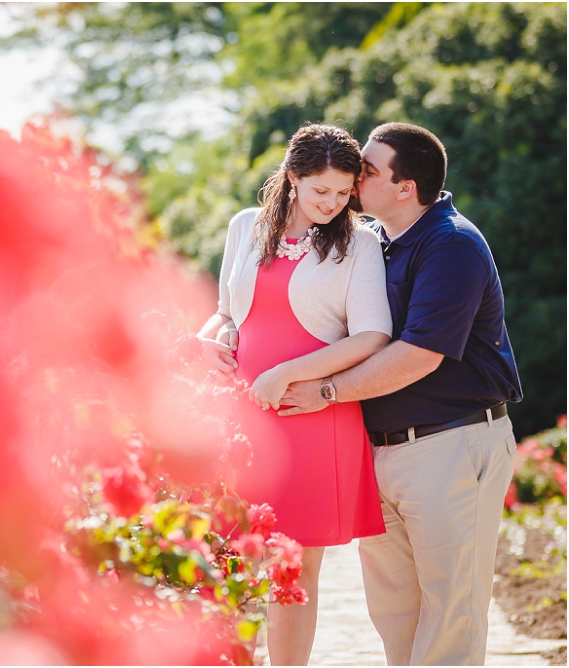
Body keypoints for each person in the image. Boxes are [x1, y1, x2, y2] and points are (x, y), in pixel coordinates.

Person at [278, 122, 522, 666]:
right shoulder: (376, 245)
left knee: (451, 611)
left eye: (366, 170)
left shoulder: (451, 244)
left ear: (404, 186)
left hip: (451, 447)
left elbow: (419, 355)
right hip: (381, 450)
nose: (352, 178)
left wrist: (326, 391)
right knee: (396, 613)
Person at [197, 123, 392, 666]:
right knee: (230, 557)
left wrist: (287, 374)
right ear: (292, 178)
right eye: (319, 191)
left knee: (294, 567)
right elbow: (226, 312)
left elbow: (373, 334)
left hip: (310, 413)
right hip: (239, 415)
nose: (332, 203)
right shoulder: (245, 227)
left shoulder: (360, 243)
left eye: (343, 191)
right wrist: (202, 340)